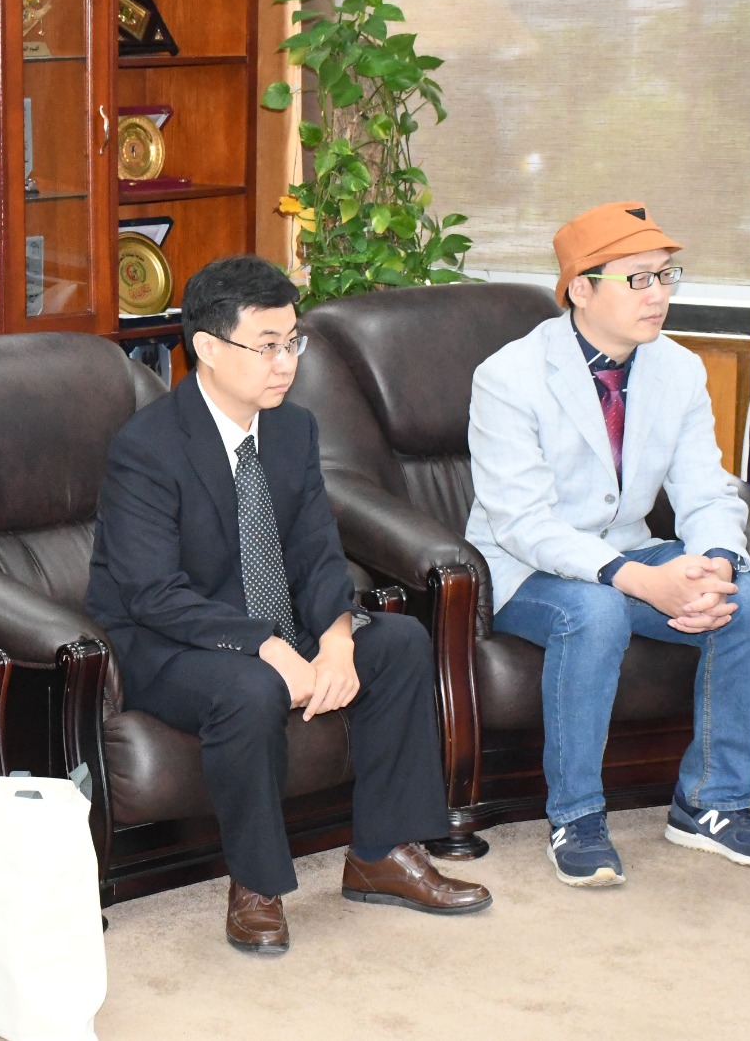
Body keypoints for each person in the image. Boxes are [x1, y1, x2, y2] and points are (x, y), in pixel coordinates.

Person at [85, 254, 491, 955]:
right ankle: (256, 885)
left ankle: (382, 853)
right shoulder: (146, 448)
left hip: (273, 621)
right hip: (170, 640)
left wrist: (336, 635)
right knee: (251, 687)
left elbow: (316, 549)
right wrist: (268, 646)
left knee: (398, 644)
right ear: (209, 348)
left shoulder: (293, 429)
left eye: (292, 342)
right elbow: (153, 592)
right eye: (267, 345)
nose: (286, 363)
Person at [465, 201, 750, 888]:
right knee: (596, 610)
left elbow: (706, 490)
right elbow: (522, 522)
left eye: (666, 275)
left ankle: (711, 804)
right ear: (580, 290)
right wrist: (635, 578)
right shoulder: (509, 375)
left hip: (629, 546)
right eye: (638, 279)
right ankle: (577, 817)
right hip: (524, 567)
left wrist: (716, 564)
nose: (659, 294)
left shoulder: (679, 369)